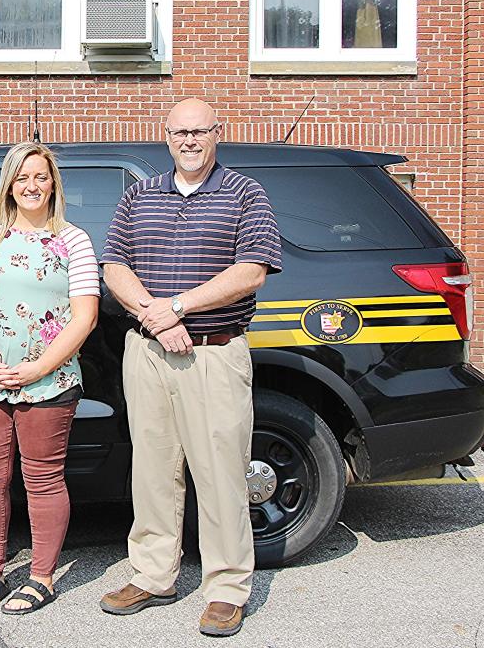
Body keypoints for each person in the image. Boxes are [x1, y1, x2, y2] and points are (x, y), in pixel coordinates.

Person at [99, 98, 281, 637]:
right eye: (180, 132)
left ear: (217, 133)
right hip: (148, 350)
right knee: (153, 471)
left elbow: (252, 271)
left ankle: (226, 588)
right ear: (167, 136)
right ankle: (154, 576)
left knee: (221, 473)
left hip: (214, 352)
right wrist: (156, 319)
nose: (189, 141)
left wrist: (179, 307)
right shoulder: (141, 195)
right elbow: (115, 265)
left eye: (199, 131)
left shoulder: (246, 194)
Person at [0, 142, 100, 615]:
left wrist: (39, 367)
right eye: (22, 178)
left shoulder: (74, 241)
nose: (32, 186)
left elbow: (85, 317)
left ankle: (41, 576)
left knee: (42, 479)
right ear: (9, 186)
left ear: (53, 182)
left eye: (40, 177)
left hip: (49, 383)